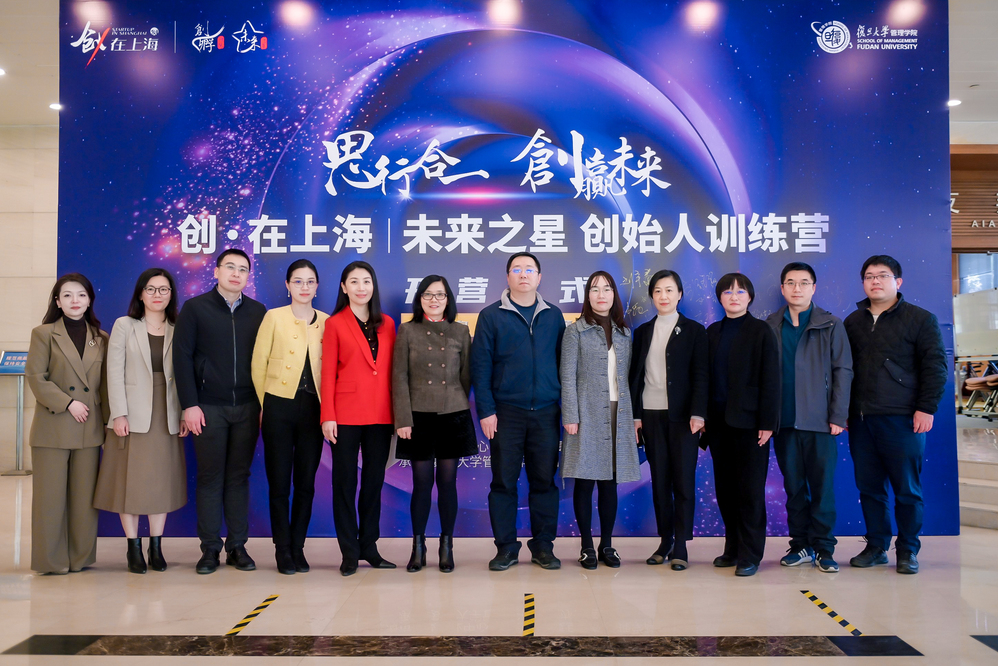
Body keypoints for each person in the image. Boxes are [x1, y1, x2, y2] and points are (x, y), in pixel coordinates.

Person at [844, 255, 947, 575]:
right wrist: (843, 410)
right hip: (861, 420)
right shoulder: (853, 322)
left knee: (907, 490)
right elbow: (844, 371)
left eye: (883, 275)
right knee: (869, 489)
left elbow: (935, 367)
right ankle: (876, 547)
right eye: (869, 276)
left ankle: (907, 550)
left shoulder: (921, 319)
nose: (875, 281)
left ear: (897, 282)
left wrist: (926, 408)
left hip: (903, 418)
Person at [471, 252, 566, 571]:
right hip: (506, 413)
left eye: (529, 269)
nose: (523, 274)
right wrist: (486, 410)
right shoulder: (490, 316)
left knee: (544, 482)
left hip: (546, 413)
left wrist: (566, 409)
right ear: (508, 276)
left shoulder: (553, 315)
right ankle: (506, 548)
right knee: (503, 482)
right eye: (517, 269)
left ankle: (543, 547)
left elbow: (563, 365)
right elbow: (481, 367)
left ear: (539, 277)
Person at [173, 248, 267, 574]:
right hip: (208, 407)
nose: (236, 274)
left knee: (239, 477)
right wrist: (189, 405)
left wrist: (263, 405)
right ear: (216, 271)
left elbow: (265, 361)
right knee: (211, 477)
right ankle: (210, 549)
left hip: (247, 407)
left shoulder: (258, 312)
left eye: (243, 269)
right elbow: (181, 359)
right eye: (230, 267)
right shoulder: (195, 308)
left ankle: (237, 547)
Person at [94, 268, 188, 574]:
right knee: (129, 483)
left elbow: (185, 374)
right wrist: (118, 413)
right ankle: (133, 546)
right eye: (151, 289)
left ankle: (155, 547)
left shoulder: (179, 327)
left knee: (161, 482)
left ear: (171, 294)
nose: (157, 295)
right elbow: (113, 372)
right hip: (131, 414)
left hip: (167, 412)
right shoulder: (124, 325)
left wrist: (184, 411)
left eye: (164, 289)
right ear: (140, 293)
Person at [765, 262, 853, 574]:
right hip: (785, 423)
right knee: (794, 489)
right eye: (791, 283)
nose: (797, 288)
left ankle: (824, 549)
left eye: (804, 283)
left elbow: (843, 371)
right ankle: (800, 545)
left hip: (821, 423)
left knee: (822, 489)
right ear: (782, 288)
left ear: (814, 288)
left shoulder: (830, 324)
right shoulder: (770, 325)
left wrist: (838, 415)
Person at [392, 275, 476, 573]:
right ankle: (418, 547)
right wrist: (403, 418)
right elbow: (399, 377)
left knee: (448, 483)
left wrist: (454, 399)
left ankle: (446, 546)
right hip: (419, 415)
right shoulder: (407, 330)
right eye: (428, 294)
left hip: (453, 413)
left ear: (448, 299)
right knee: (422, 483)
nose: (434, 300)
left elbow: (466, 376)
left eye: (440, 295)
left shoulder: (460, 330)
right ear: (420, 299)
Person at [26, 273, 108, 574]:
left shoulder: (101, 337)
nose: (75, 301)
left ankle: (80, 559)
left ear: (89, 301)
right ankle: (50, 561)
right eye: (68, 295)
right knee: (49, 500)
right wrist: (67, 403)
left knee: (84, 501)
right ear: (58, 302)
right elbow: (36, 378)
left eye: (82, 295)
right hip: (54, 426)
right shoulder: (43, 333)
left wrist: (110, 423)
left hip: (90, 429)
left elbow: (105, 387)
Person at [251, 259, 329, 575]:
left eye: (310, 281)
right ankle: (282, 549)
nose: (304, 287)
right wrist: (264, 406)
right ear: (287, 285)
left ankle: (298, 547)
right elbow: (258, 364)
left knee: (306, 483)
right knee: (280, 483)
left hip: (314, 409)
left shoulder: (327, 321)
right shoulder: (273, 317)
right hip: (278, 407)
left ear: (317, 286)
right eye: (298, 281)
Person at [321, 261, 396, 576]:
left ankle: (369, 546)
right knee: (344, 484)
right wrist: (328, 415)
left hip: (381, 414)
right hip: (345, 415)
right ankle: (349, 552)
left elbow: (391, 371)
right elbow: (327, 373)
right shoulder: (335, 323)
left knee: (373, 483)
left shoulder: (388, 323)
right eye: (354, 281)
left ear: (373, 285)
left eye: (366, 281)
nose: (361, 287)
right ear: (344, 287)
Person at [629, 269, 708, 571]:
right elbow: (636, 377)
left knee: (683, 481)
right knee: (660, 481)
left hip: (684, 418)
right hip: (651, 416)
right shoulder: (643, 332)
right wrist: (636, 416)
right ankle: (665, 541)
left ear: (680, 294)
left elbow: (701, 375)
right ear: (652, 296)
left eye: (669, 290)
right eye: (658, 291)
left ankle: (682, 545)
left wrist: (698, 413)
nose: (664, 296)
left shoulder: (694, 330)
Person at [561, 271, 640, 570]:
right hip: (586, 414)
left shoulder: (624, 333)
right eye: (595, 289)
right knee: (584, 481)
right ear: (588, 296)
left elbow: (629, 378)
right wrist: (571, 415)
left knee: (610, 483)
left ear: (614, 295)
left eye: (607, 289)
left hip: (619, 413)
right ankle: (585, 546)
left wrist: (633, 418)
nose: (601, 294)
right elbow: (567, 376)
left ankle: (607, 544)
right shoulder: (575, 331)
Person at [703, 273, 780, 577]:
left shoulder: (761, 331)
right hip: (718, 424)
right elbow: (704, 378)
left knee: (749, 491)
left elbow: (771, 379)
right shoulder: (713, 332)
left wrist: (768, 422)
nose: (733, 297)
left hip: (750, 424)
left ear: (750, 297)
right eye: (727, 292)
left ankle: (751, 553)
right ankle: (733, 547)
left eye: (740, 291)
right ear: (719, 298)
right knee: (725, 490)